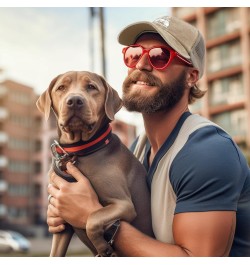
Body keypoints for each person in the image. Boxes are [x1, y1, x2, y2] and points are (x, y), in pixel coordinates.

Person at [47, 15, 250, 257]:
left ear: (191, 76)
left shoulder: (207, 151)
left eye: (159, 56)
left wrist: (92, 216)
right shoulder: (136, 149)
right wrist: (67, 211)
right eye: (134, 54)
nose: (141, 64)